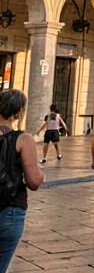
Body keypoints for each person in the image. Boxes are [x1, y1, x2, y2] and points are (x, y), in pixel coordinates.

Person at [0, 90, 43, 270]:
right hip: (9, 208)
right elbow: (34, 181)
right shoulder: (23, 139)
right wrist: (41, 174)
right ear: (19, 112)